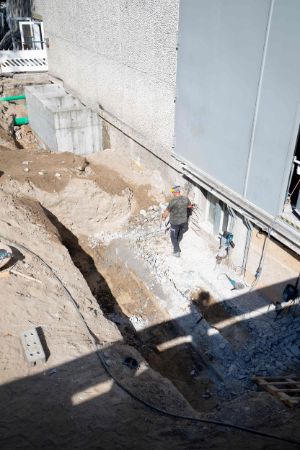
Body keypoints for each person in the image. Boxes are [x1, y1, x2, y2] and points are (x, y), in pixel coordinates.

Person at [162, 186, 193, 257]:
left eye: (172, 192)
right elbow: (190, 206)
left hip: (175, 222)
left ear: (175, 192)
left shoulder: (173, 201)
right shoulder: (186, 198)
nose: (172, 193)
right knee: (180, 233)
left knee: (173, 236)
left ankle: (176, 251)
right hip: (184, 221)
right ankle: (178, 242)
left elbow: (167, 212)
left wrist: (163, 217)